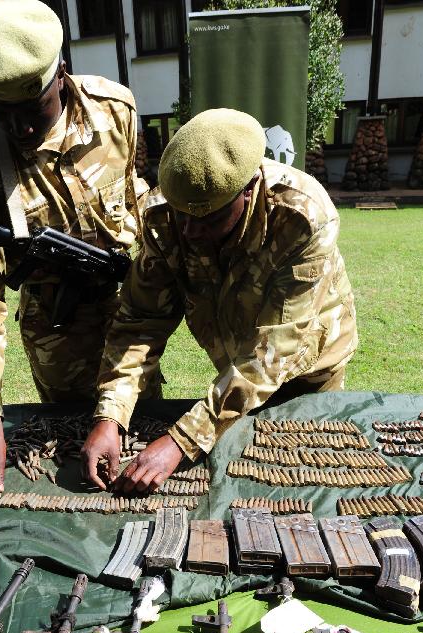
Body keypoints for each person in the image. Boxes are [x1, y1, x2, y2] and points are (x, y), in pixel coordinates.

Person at [82, 108, 358, 493]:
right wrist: (110, 415)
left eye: (210, 219)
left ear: (248, 188)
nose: (191, 231)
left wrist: (183, 440)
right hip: (234, 364)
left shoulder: (301, 218)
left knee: (308, 485)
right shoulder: (166, 217)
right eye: (183, 216)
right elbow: (140, 321)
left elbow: (273, 352)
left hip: (307, 372)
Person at [0, 0, 155, 505]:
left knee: (140, 429)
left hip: (128, 311)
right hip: (57, 329)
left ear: (60, 74)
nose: (20, 129)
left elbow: (134, 193)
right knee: (71, 455)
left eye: (32, 111)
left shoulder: (116, 110)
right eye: (3, 113)